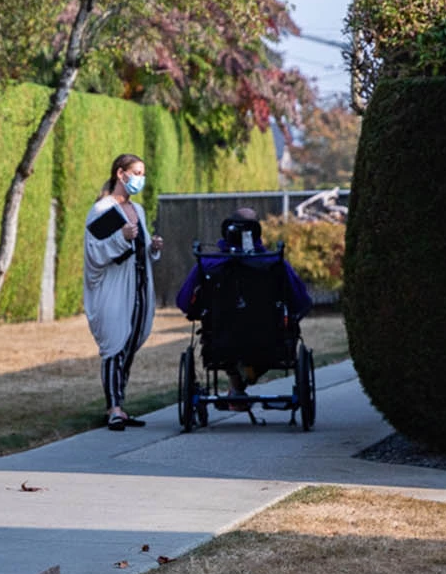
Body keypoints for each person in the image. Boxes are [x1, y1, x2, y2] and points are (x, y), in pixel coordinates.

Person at [174, 208, 314, 406]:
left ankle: (238, 383)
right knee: (268, 339)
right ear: (257, 231)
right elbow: (300, 302)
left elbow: (184, 302)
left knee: (231, 341)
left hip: (221, 341)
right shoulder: (275, 263)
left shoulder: (208, 265)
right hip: (268, 340)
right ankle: (242, 381)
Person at [84, 153, 164, 431]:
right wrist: (121, 238)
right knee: (114, 345)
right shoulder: (103, 210)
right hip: (115, 289)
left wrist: (152, 246)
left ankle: (121, 402)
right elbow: (95, 251)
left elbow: (137, 247)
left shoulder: (138, 211)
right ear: (121, 174)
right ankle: (113, 407)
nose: (140, 179)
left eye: (143, 173)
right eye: (136, 172)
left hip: (139, 287)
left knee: (129, 344)